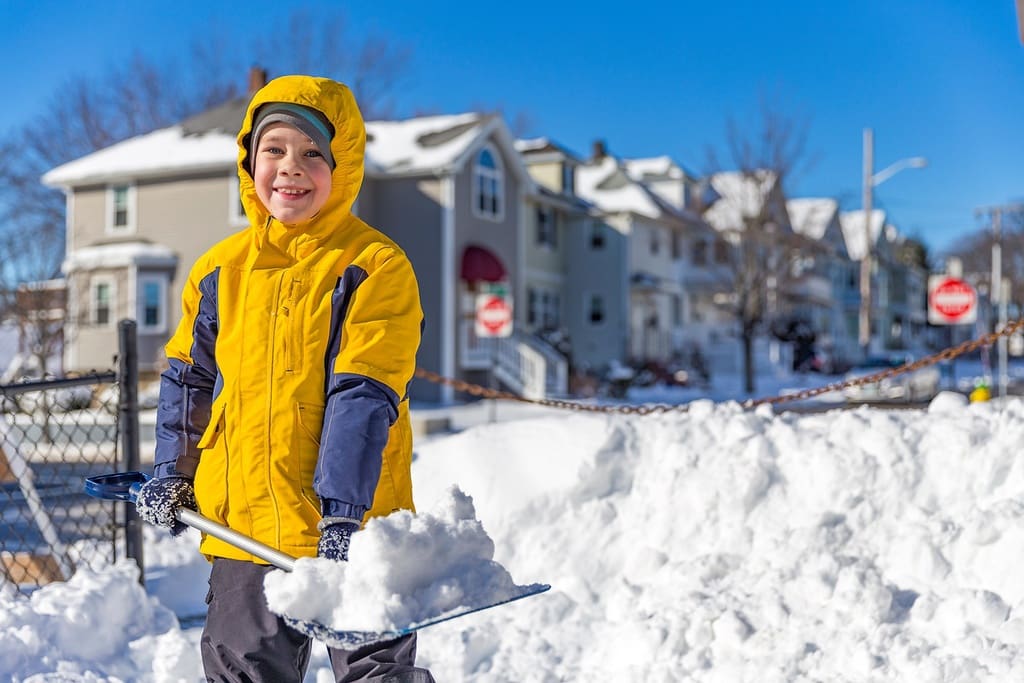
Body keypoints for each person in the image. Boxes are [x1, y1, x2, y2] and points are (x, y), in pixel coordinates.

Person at [134, 74, 434, 683]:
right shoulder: (219, 270)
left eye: (312, 154)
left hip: (354, 522)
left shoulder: (374, 265)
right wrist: (172, 472)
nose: (290, 168)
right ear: (250, 160)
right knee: (242, 671)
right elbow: (187, 383)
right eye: (274, 150)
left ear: (342, 166)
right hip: (241, 523)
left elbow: (364, 392)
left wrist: (342, 515)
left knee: (375, 674)